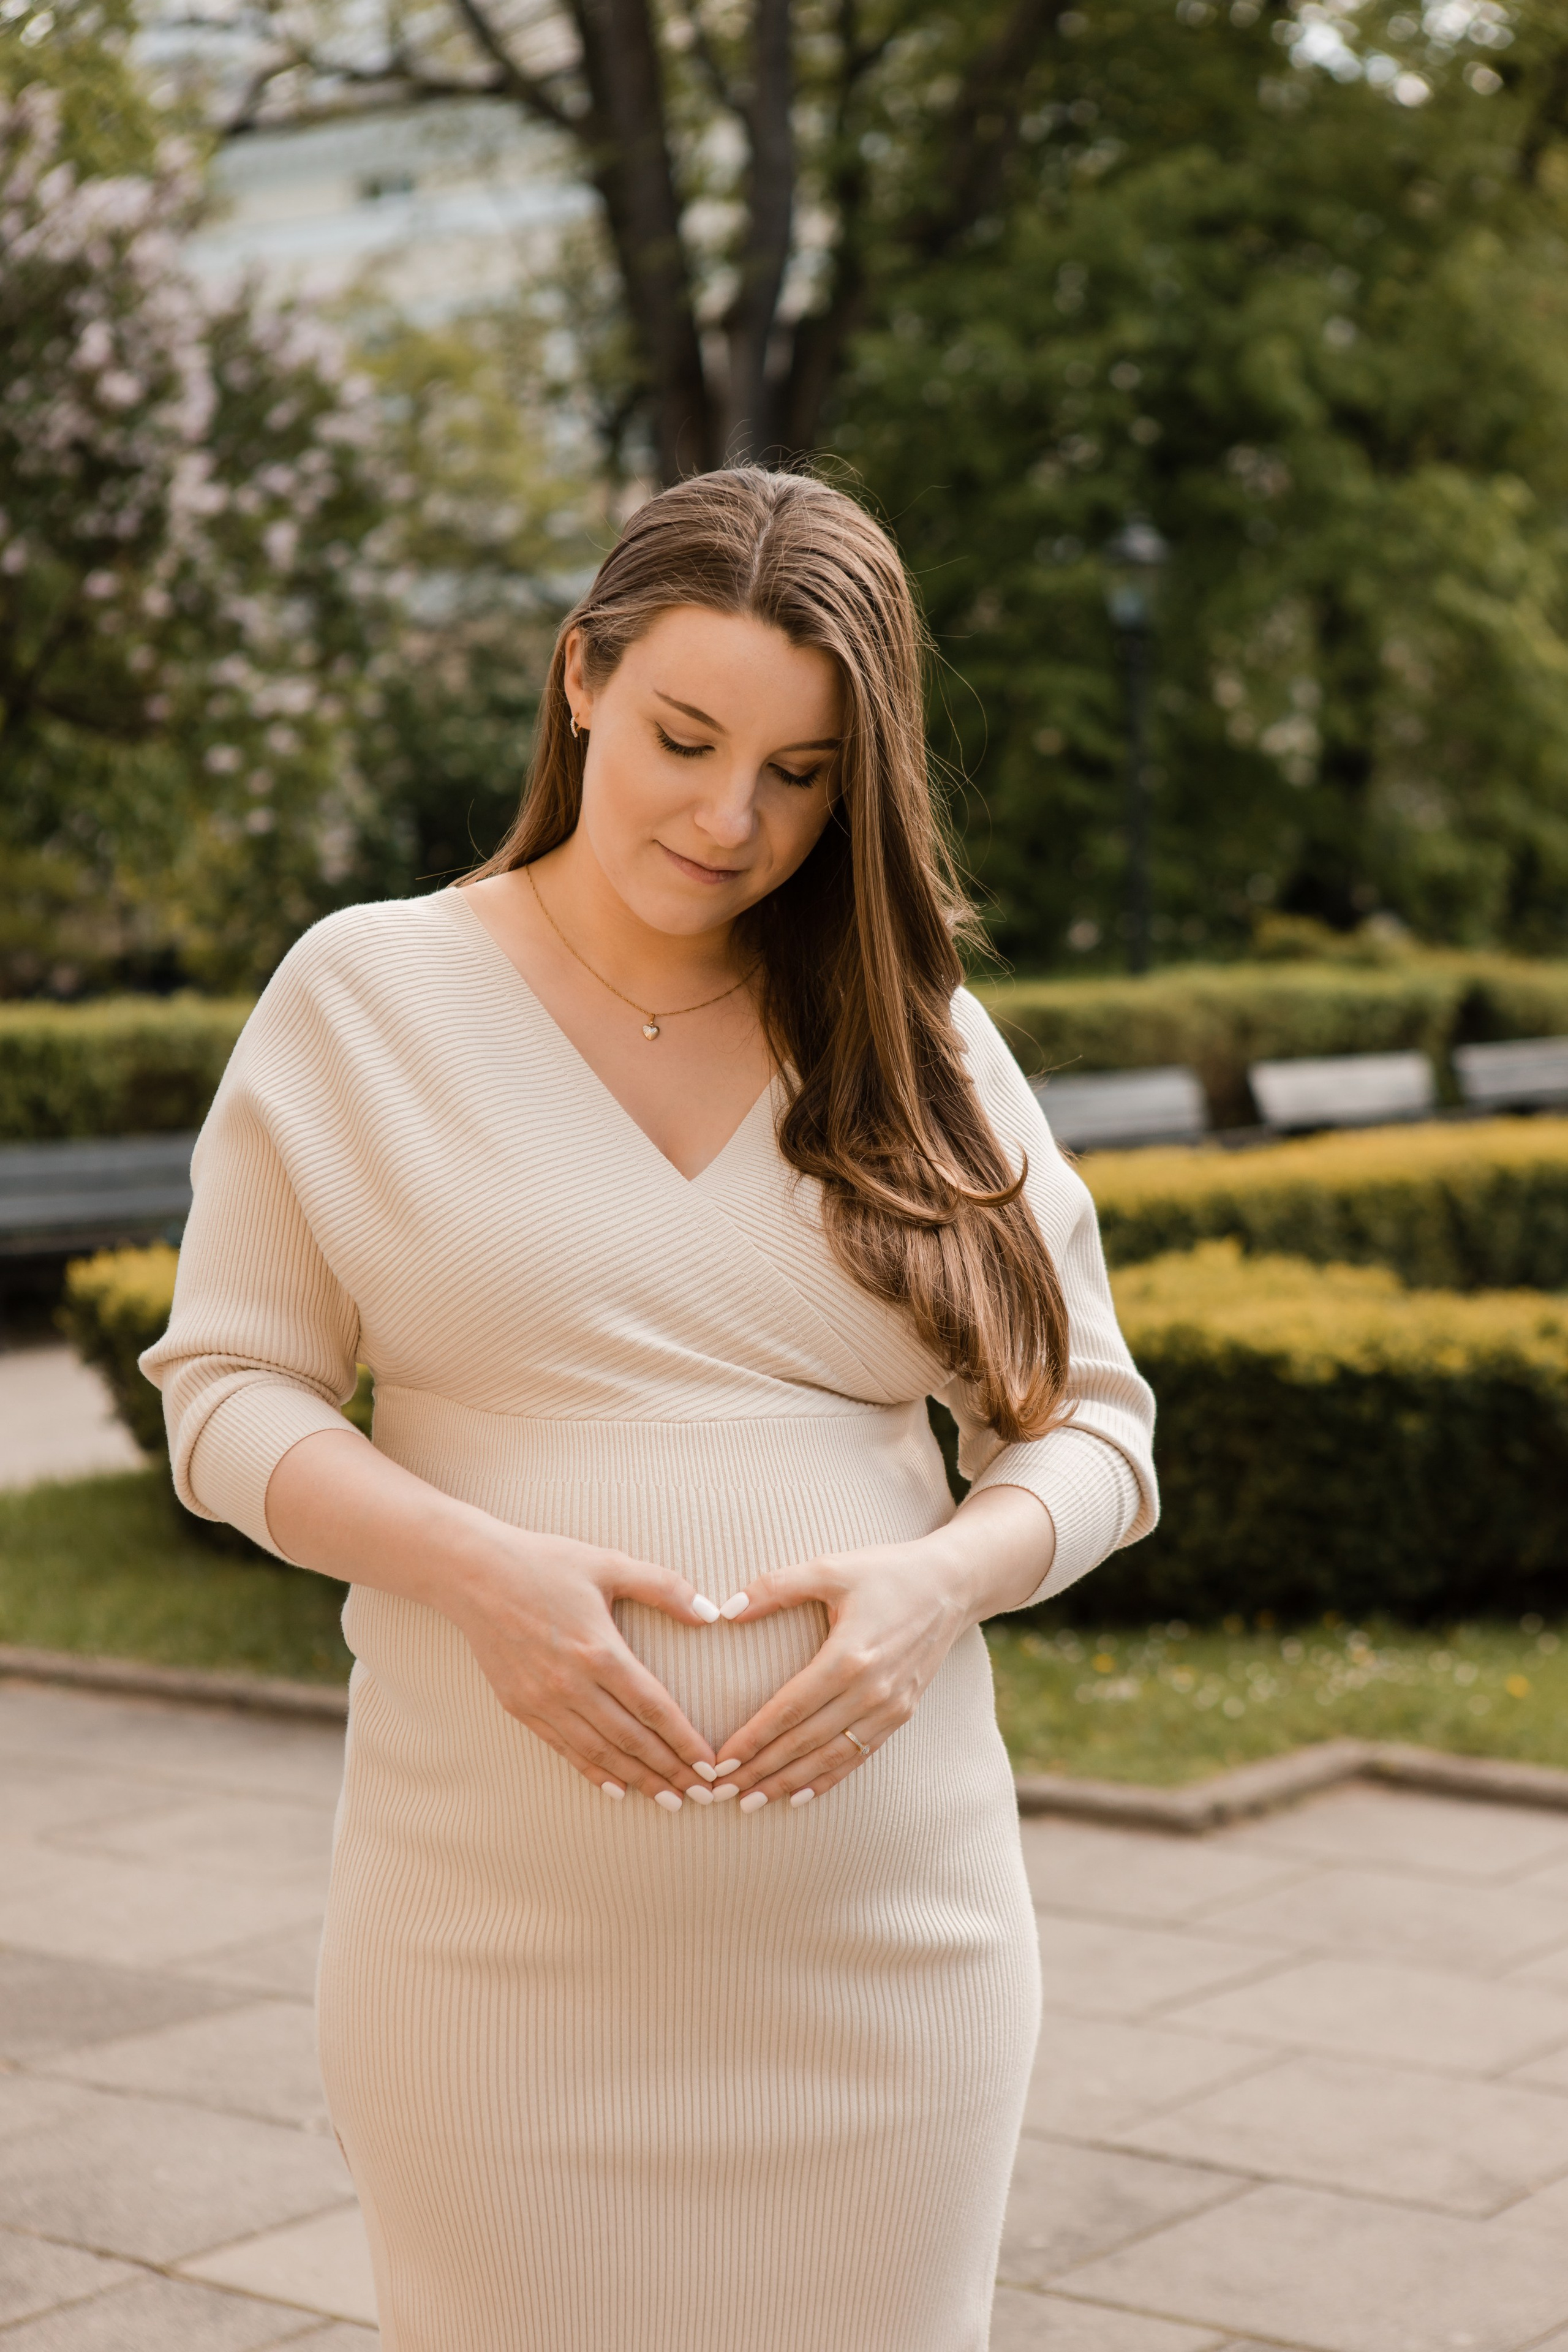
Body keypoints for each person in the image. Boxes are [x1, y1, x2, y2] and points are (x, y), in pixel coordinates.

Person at [143, 466, 1156, 2352]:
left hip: (887, 1965)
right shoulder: (369, 995)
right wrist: (475, 1570)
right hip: (487, 1954)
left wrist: (944, 1585)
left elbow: (1093, 1426)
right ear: (580, 679)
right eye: (688, 738)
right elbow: (226, 1395)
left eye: (802, 773)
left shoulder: (906, 1028)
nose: (729, 818)